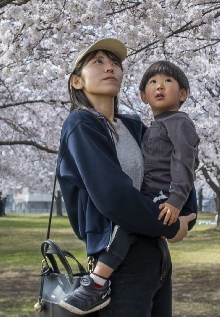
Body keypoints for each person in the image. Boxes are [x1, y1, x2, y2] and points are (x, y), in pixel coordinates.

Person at [55, 39, 196, 317]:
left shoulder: (133, 126)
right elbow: (114, 196)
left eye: (115, 64)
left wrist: (185, 214)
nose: (110, 68)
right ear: (76, 82)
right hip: (117, 261)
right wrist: (170, 226)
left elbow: (177, 165)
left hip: (157, 255)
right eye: (98, 62)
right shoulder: (80, 124)